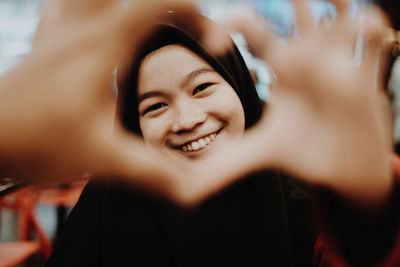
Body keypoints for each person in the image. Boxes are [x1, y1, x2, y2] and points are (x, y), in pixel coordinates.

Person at [46, 2, 400, 265]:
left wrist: (371, 204)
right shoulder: (105, 211)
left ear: (240, 88)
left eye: (202, 88)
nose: (186, 119)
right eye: (155, 106)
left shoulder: (311, 205)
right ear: (132, 126)